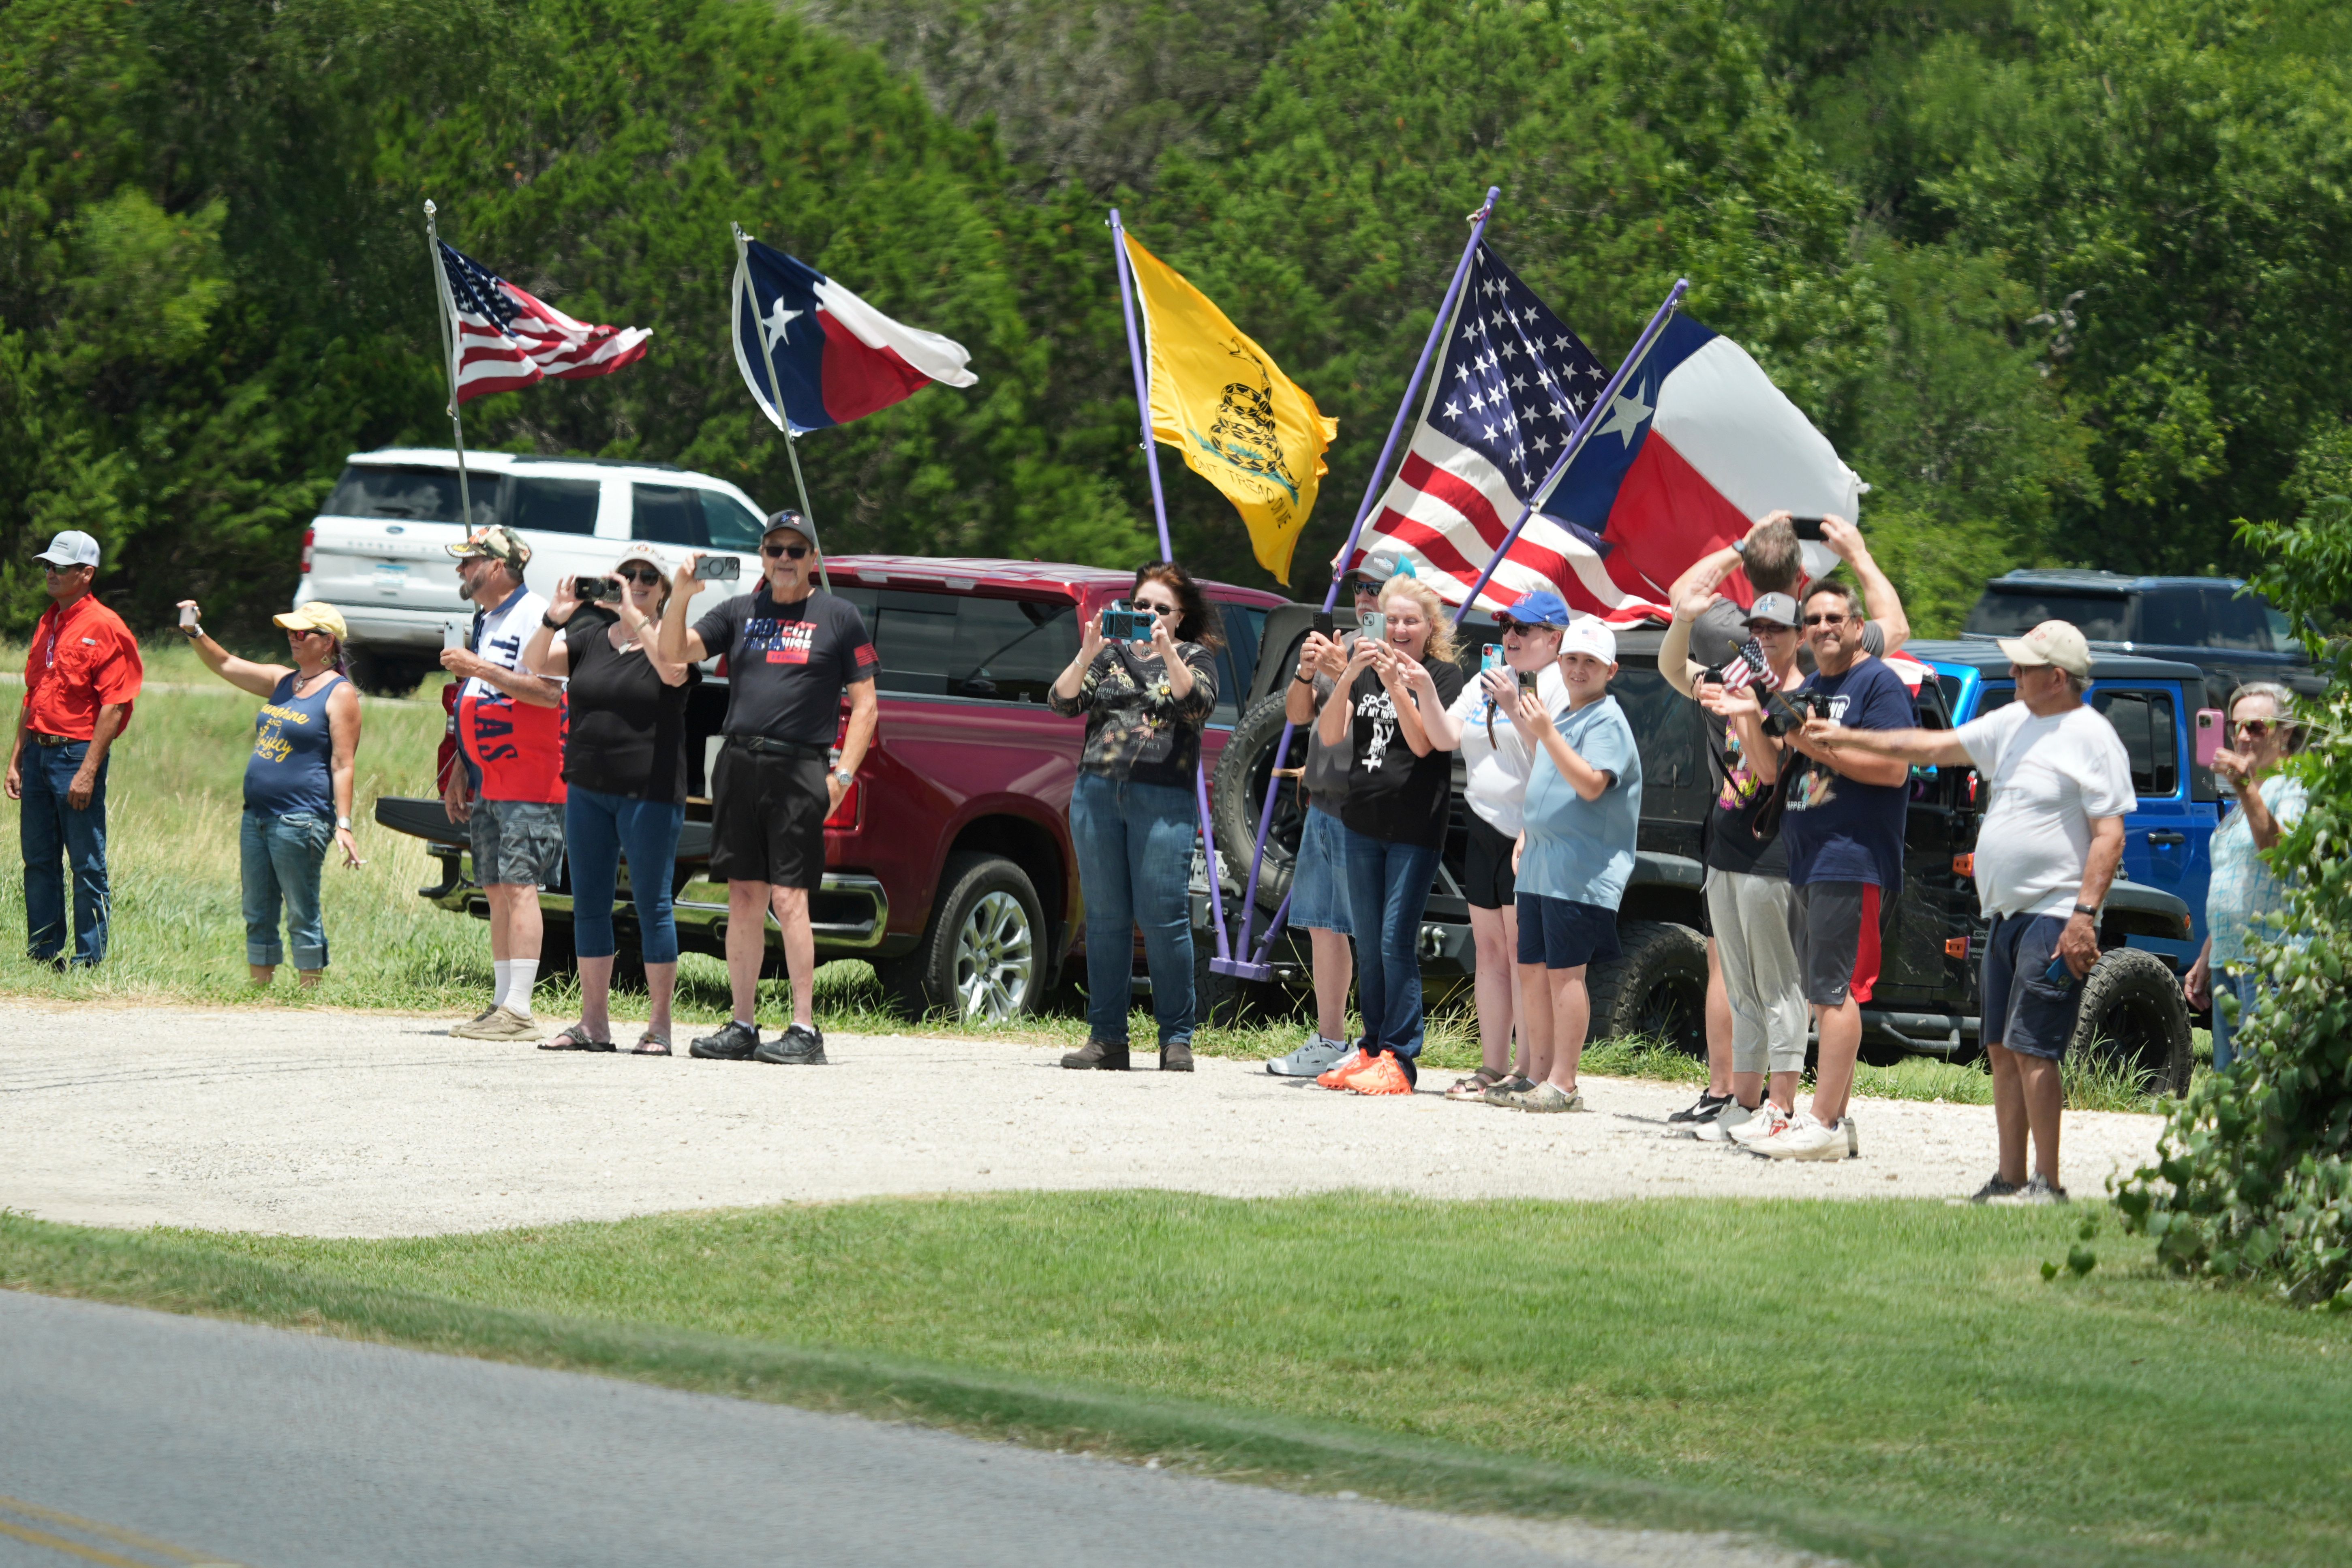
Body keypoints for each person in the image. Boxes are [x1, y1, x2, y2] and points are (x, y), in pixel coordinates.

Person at [1806, 620, 2130, 1202]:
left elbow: (2108, 835)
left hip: (2055, 913)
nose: (2012, 674)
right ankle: (2008, 1177)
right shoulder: (2013, 721)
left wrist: (2084, 915)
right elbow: (1928, 747)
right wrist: (1843, 735)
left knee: (2034, 1048)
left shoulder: (2090, 736)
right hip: (2005, 913)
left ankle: (2047, 1182)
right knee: (2001, 1049)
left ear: (2056, 678)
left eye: (2023, 667)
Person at [1662, 511, 1907, 1129]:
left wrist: (1741, 551)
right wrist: (1852, 550)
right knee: (1743, 980)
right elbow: (1676, 655)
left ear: (1801, 631)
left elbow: (1889, 639)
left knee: (1802, 989)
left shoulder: (1828, 665)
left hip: (1796, 846)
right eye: (1759, 630)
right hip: (1736, 842)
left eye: (1780, 630)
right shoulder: (1739, 656)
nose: (1767, 639)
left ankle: (1792, 1109)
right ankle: (1744, 1099)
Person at [661, 510, 878, 1066]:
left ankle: (804, 1029)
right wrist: (681, 595)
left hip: (798, 768)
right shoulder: (738, 612)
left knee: (790, 898)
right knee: (743, 896)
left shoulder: (839, 616)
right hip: (738, 763)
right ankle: (741, 1023)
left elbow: (867, 706)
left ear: (812, 559)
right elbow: (675, 654)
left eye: (795, 550)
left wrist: (843, 775)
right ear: (762, 555)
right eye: (774, 549)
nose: (784, 559)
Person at [1753, 580, 1917, 1160]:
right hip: (1808, 858)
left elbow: (1892, 770)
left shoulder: (1878, 682)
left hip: (1852, 860)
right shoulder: (1813, 686)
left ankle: (1820, 1123)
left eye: (1834, 618)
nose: (1823, 627)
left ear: (1855, 628)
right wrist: (1753, 708)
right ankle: (1835, 1121)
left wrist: (1808, 739)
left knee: (1836, 991)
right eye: (1813, 619)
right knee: (1823, 992)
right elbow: (1779, 762)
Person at [521, 549, 698, 1055]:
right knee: (589, 906)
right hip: (588, 789)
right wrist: (553, 618)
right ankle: (593, 1023)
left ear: (663, 588)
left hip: (650, 793)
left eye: (648, 577)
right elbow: (537, 664)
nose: (637, 583)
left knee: (652, 906)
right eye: (627, 577)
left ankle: (659, 1027)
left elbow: (670, 672)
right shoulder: (592, 639)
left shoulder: (672, 640)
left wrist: (635, 616)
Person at [1049, 563, 1220, 1071]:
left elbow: (1197, 705)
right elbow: (1061, 702)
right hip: (1098, 790)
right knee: (1104, 920)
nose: (1148, 616)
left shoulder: (1194, 655)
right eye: (1139, 606)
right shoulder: (1111, 655)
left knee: (1163, 919)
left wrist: (1167, 648)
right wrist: (1088, 652)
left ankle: (1176, 1038)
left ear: (1180, 615)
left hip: (1162, 796)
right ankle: (1107, 1038)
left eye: (1160, 609)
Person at [1313, 571, 1465, 1096]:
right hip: (1361, 823)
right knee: (1367, 943)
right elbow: (1330, 734)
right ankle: (1371, 1045)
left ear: (1428, 627)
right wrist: (1349, 675)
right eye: (1390, 619)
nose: (1398, 629)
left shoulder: (1442, 677)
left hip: (1414, 829)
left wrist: (1399, 683)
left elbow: (1423, 746)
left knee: (1394, 942)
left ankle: (1401, 1056)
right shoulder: (1363, 672)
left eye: (1409, 621)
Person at [1424, 589, 1571, 1102]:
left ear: (1554, 638)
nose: (1510, 636)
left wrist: (1514, 706)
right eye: (1507, 625)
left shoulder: (1556, 685)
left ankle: (1529, 1067)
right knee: (1488, 951)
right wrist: (1418, 684)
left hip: (1526, 831)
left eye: (1524, 629)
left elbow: (1554, 762)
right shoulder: (1488, 678)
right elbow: (1444, 736)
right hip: (1483, 826)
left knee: (1521, 954)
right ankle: (1492, 1063)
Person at [1491, 616, 1641, 1114]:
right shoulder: (1567, 717)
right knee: (1531, 969)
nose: (1579, 669)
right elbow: (1550, 776)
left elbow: (1591, 784)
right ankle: (1535, 1072)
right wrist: (1529, 830)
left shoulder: (1606, 720)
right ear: (1560, 661)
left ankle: (1564, 1081)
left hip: (1579, 868)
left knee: (1565, 974)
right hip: (1541, 862)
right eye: (1572, 659)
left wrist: (1545, 731)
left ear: (1611, 670)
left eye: (1591, 662)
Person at [177, 599, 365, 987]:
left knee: (301, 909)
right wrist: (194, 632)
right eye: (289, 632)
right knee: (258, 909)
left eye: (302, 633)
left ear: (327, 642)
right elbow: (226, 663)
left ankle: (309, 991)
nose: (293, 639)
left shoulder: (339, 694)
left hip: (301, 818)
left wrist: (344, 824)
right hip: (258, 815)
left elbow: (343, 764)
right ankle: (259, 991)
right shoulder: (283, 681)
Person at [439, 526, 568, 1040]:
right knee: (494, 888)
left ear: (496, 566)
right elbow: (478, 699)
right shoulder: (488, 617)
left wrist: (478, 665)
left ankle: (520, 1009)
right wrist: (459, 767)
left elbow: (546, 693)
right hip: (489, 776)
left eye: (468, 562)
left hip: (530, 778)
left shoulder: (539, 614)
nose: (460, 571)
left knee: (519, 888)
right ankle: (500, 1004)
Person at [1265, 563, 1383, 1078]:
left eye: (1375, 589)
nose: (1364, 598)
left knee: (1371, 929)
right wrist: (1308, 671)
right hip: (1323, 800)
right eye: (1360, 588)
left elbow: (1381, 714)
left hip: (1369, 808)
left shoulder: (1396, 652)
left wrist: (1347, 667)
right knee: (1321, 922)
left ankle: (1377, 1042)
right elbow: (1297, 714)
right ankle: (1330, 1037)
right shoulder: (1344, 642)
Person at [9, 531, 143, 969]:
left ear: (87, 574)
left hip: (75, 755)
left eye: (60, 567)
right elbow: (33, 694)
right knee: (39, 859)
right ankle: (44, 954)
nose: (50, 573)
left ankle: (89, 960)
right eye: (47, 565)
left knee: (86, 862)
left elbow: (115, 704)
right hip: (38, 752)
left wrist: (88, 770)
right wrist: (15, 758)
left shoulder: (106, 626)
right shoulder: (48, 620)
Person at [2186, 681, 2309, 1070]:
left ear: (2285, 732)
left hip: (2270, 962)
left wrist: (2243, 788)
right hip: (2229, 959)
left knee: (2262, 1091)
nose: (2241, 736)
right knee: (2231, 1087)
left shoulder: (2293, 787)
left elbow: (2280, 856)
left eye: (2256, 726)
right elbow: (2235, 883)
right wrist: (2206, 956)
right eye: (2235, 726)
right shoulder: (2246, 799)